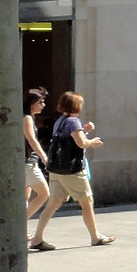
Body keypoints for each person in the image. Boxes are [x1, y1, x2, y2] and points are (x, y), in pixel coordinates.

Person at [29, 91, 113, 249]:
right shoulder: (73, 121)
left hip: (57, 169)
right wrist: (92, 141)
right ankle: (96, 237)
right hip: (71, 170)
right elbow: (81, 143)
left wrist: (84, 130)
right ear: (75, 106)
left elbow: (70, 139)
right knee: (86, 201)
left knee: (53, 203)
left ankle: (37, 237)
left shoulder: (60, 121)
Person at [21, 88, 50, 225]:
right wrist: (44, 157)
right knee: (44, 193)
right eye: (40, 102)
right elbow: (32, 140)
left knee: (25, 198)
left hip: (26, 163)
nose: (43, 105)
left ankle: (21, 229)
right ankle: (19, 224)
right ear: (32, 103)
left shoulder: (29, 118)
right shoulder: (26, 118)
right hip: (28, 163)